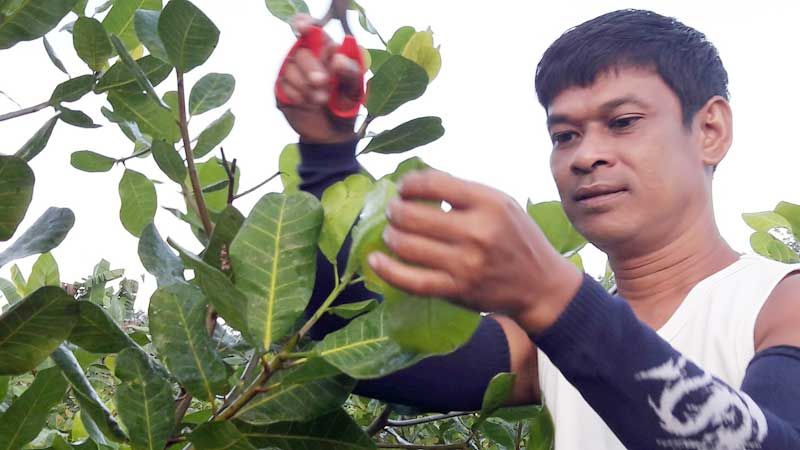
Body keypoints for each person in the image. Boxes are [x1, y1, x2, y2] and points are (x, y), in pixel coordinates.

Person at [276, 9, 800, 450]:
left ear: (710, 130)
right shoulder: (542, 344)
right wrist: (327, 152)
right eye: (564, 134)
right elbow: (364, 350)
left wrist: (554, 298)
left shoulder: (779, 303)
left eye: (623, 122)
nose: (585, 156)